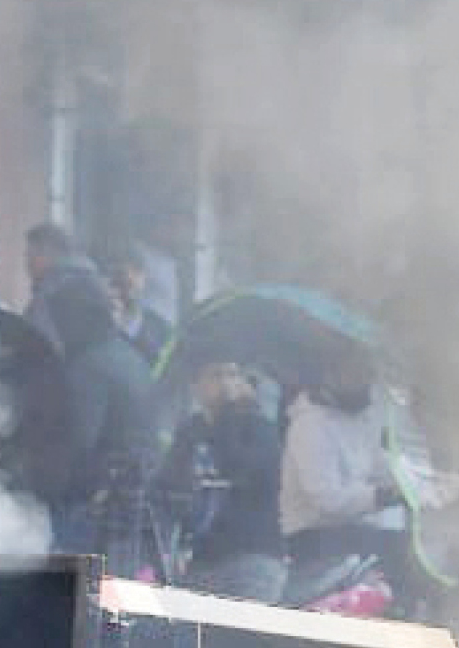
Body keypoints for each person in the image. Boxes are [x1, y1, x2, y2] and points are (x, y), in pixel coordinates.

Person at [280, 346, 412, 602]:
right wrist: (382, 497)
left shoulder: (361, 423)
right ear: (331, 376)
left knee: (408, 552)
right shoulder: (309, 426)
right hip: (312, 538)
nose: (365, 384)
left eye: (368, 376)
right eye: (356, 375)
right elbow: (327, 500)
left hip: (350, 533)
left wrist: (415, 484)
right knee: (398, 554)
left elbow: (383, 468)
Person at [46, 276, 161, 570]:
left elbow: (79, 440)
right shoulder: (133, 358)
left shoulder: (89, 365)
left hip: (93, 504)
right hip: (132, 497)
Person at [160, 362, 287, 601]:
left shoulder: (259, 428)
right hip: (200, 561)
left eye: (234, 375)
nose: (227, 383)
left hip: (252, 559)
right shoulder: (190, 431)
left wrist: (231, 412)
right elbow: (170, 483)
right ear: (196, 386)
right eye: (217, 375)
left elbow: (237, 467)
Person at [100, 245, 173, 359]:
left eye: (137, 271)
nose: (130, 278)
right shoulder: (98, 325)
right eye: (121, 272)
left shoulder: (162, 329)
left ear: (145, 277)